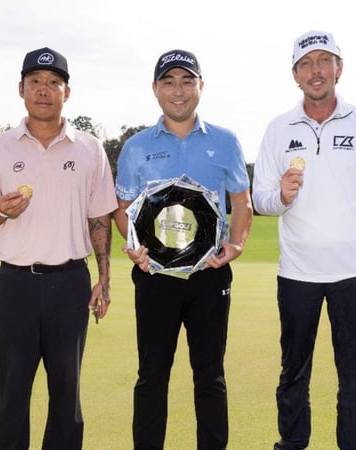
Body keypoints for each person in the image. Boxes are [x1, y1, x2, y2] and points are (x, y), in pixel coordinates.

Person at [252, 30, 356, 450]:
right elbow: (260, 199)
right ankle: (292, 443)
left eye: (324, 60)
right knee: (293, 372)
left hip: (355, 274)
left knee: (355, 376)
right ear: (295, 75)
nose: (315, 70)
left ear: (340, 68)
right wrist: (280, 196)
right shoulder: (278, 128)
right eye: (306, 63)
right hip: (297, 274)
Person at [0, 45, 117, 450]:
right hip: (15, 284)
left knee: (67, 394)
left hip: (70, 284)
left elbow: (100, 216)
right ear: (21, 89)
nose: (44, 90)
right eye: (36, 82)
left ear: (67, 92)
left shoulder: (90, 148)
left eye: (54, 83)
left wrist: (104, 275)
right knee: (12, 392)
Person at [113, 49, 253, 450]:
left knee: (210, 376)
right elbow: (122, 209)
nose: (178, 91)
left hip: (210, 275)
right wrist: (134, 246)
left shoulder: (225, 142)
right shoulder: (136, 147)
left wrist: (237, 244)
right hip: (155, 278)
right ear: (155, 89)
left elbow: (241, 202)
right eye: (169, 82)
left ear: (200, 87)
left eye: (187, 81)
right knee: (152, 376)